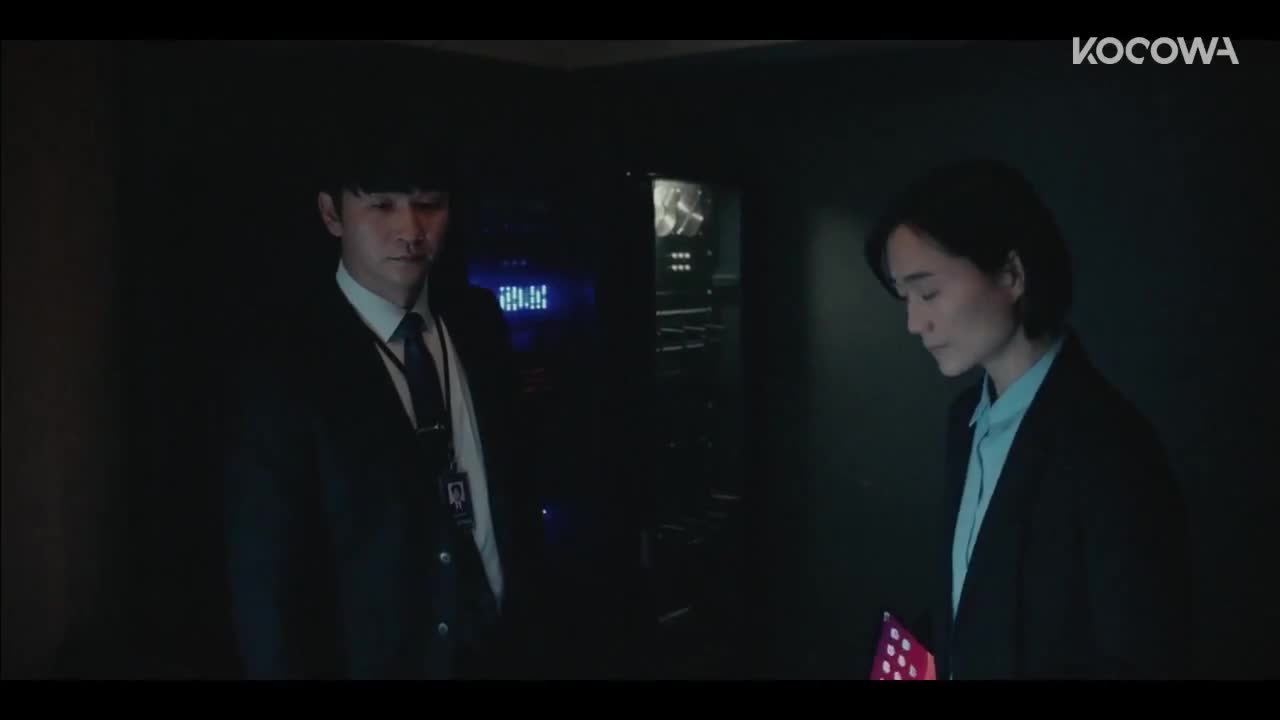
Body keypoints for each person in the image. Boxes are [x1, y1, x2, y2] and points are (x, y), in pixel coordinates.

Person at [223, 129, 540, 679]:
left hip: (498, 649)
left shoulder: (478, 320)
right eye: (382, 205)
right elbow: (265, 576)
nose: (411, 231)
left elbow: (515, 486)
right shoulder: (285, 360)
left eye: (429, 205)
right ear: (332, 214)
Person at [862, 158, 1192, 679]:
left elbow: (1139, 657)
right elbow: (972, 606)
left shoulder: (1109, 446)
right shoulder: (965, 419)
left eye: (929, 293)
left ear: (1012, 274)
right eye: (905, 298)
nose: (914, 322)